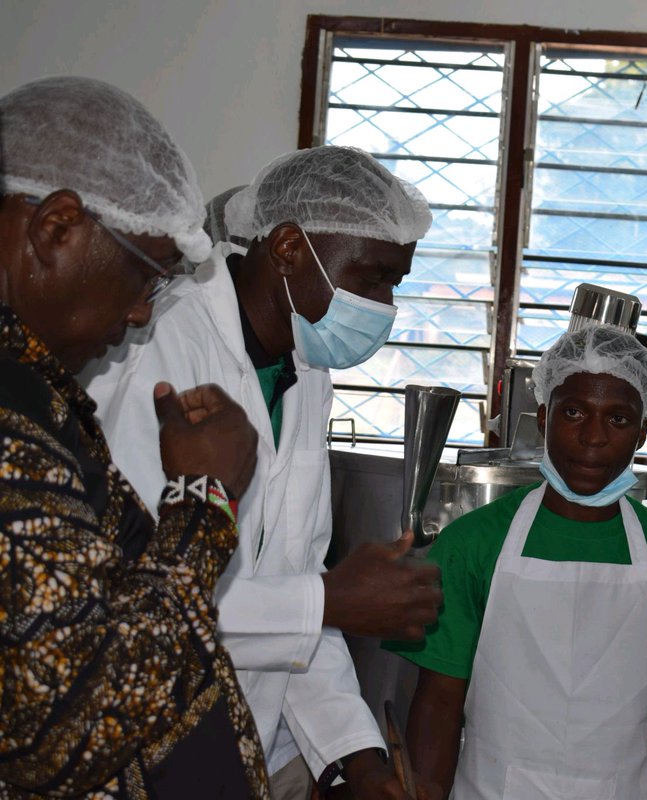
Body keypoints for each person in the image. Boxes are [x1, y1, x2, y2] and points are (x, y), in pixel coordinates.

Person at [83, 145, 444, 799]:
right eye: (372, 277)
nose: (385, 306)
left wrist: (355, 759)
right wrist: (330, 600)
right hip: (143, 756)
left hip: (251, 751)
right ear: (287, 247)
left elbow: (298, 599)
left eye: (396, 283)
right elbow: (131, 597)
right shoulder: (163, 349)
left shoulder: (305, 370)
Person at [0, 76, 268, 797]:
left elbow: (105, 604)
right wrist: (204, 501)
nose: (142, 314)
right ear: (56, 228)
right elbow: (69, 721)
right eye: (145, 276)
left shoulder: (36, 389)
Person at [394, 325, 647, 800]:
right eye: (573, 412)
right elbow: (439, 702)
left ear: (643, 431)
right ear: (542, 419)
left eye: (618, 420)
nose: (592, 437)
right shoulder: (472, 544)